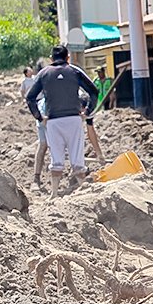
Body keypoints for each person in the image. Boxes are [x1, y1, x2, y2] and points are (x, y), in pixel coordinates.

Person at [25, 45, 100, 196]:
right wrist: (88, 111)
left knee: (56, 157)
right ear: (68, 58)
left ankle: (54, 194)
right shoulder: (74, 71)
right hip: (74, 119)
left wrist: (40, 117)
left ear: (51, 59)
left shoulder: (44, 73)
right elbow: (93, 91)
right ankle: (84, 191)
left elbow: (30, 97)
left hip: (53, 121)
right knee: (77, 156)